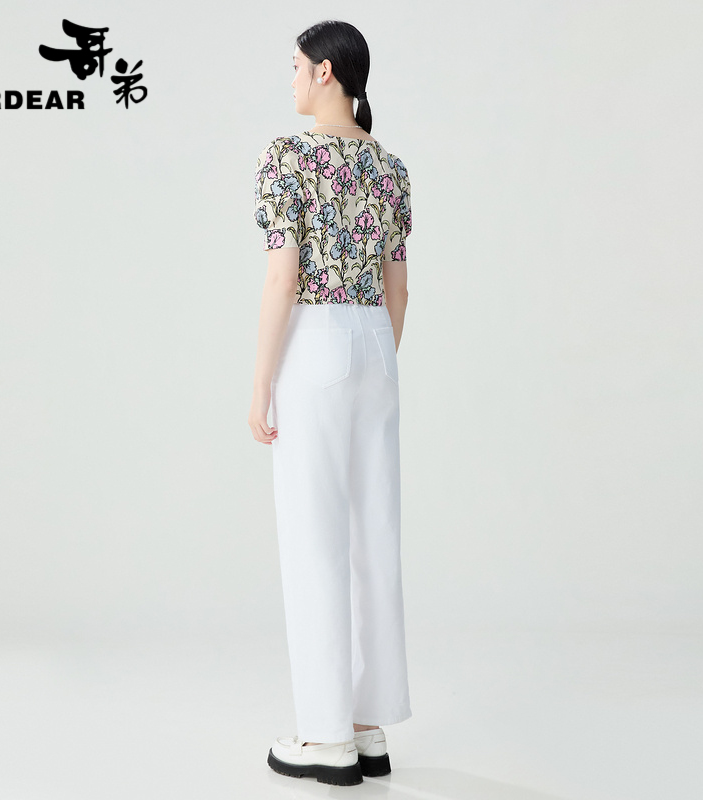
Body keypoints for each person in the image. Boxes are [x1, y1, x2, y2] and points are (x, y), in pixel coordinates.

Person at [248, 19, 413, 786]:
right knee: (373, 533)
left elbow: (281, 279)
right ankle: (368, 724)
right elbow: (399, 288)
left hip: (313, 342)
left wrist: (261, 382)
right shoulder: (390, 167)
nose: (289, 80)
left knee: (314, 535)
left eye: (294, 66)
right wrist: (374, 357)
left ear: (324, 72)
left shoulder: (287, 158)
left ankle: (325, 736)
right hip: (377, 344)